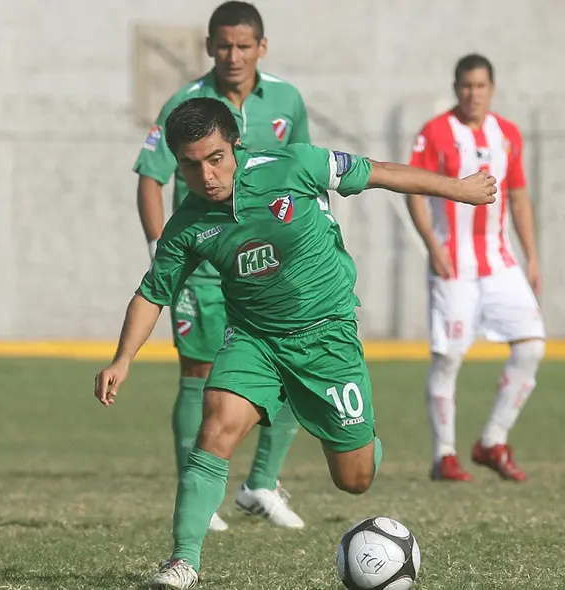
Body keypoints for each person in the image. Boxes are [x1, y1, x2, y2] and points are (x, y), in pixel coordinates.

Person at [94, 96, 495, 590]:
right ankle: (183, 562)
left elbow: (381, 172)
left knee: (355, 480)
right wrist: (122, 359)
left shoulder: (294, 165)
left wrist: (460, 189)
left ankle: (353, 432)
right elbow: (152, 293)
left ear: (235, 145)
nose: (207, 176)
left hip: (327, 337)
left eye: (215, 158)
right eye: (191, 165)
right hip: (255, 340)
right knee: (215, 426)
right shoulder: (187, 224)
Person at [133, 1, 310, 531]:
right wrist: (159, 248)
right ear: (209, 47)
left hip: (270, 263)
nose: (234, 55)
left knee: (294, 364)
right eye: (224, 45)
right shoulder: (186, 104)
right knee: (199, 372)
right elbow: (150, 177)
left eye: (243, 45)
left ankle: (260, 485)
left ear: (262, 47)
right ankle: (200, 495)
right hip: (205, 266)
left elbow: (300, 173)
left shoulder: (287, 100)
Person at [406, 54, 543, 483]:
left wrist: (532, 255)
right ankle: (444, 455)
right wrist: (433, 246)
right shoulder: (434, 132)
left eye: (481, 86)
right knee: (448, 356)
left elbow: (517, 196)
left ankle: (492, 441)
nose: (473, 94)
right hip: (454, 262)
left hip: (500, 262)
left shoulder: (508, 134)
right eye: (466, 86)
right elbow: (413, 191)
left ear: (492, 89)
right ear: (456, 88)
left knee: (531, 346)